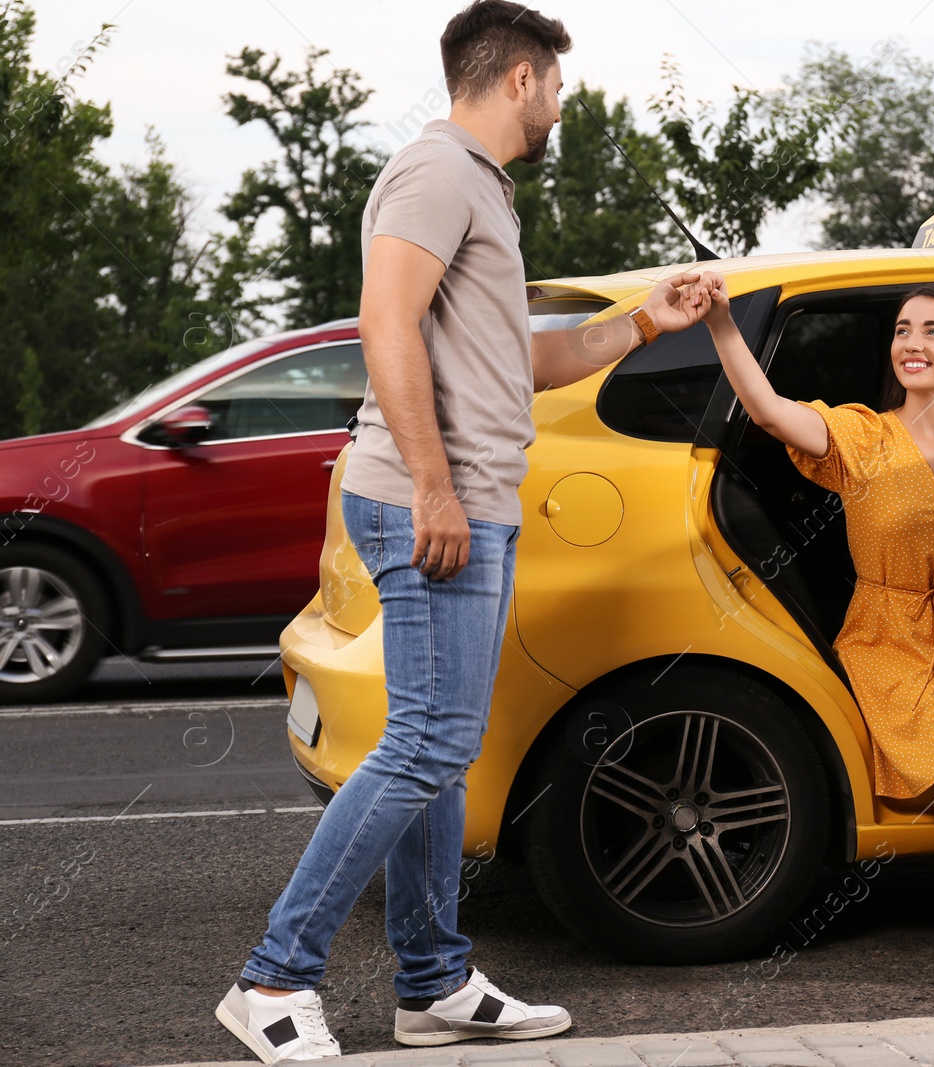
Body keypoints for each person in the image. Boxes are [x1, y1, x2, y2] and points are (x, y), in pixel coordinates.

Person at [215, 3, 712, 1061]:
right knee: (428, 742)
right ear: (522, 78)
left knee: (443, 751)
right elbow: (382, 319)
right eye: (559, 86)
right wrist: (435, 487)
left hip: (469, 500)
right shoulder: (437, 170)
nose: (561, 105)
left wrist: (642, 322)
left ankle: (433, 980)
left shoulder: (481, 190)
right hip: (429, 501)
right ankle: (272, 976)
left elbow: (523, 362)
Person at [700, 276, 934, 1004]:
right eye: (903, 330)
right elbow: (769, 410)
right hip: (888, 631)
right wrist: (719, 321)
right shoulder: (862, 433)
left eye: (933, 330)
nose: (912, 342)